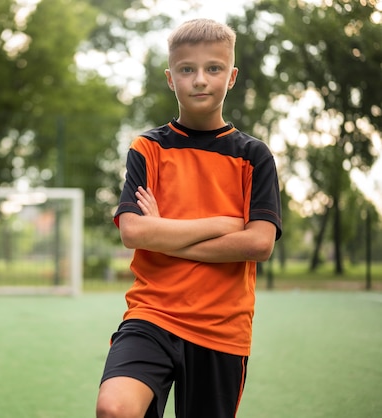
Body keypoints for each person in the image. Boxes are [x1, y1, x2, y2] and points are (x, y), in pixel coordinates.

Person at [95, 18, 282, 418]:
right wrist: (222, 224)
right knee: (115, 409)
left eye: (213, 69)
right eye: (187, 69)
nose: (200, 79)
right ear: (170, 77)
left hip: (222, 328)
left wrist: (163, 232)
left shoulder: (254, 156)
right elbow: (133, 232)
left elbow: (259, 244)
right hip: (152, 313)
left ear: (230, 77)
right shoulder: (147, 148)